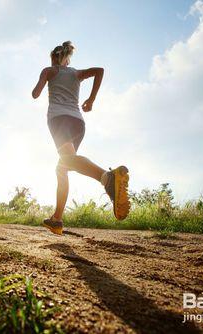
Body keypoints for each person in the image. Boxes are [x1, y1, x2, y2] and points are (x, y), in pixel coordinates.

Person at [31, 41, 130, 235]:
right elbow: (99, 71)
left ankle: (107, 178)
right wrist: (91, 99)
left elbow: (35, 94)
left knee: (66, 162)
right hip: (78, 123)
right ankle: (57, 219)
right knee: (63, 167)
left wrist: (45, 78)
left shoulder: (49, 71)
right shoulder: (76, 73)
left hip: (59, 120)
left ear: (54, 58)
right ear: (67, 59)